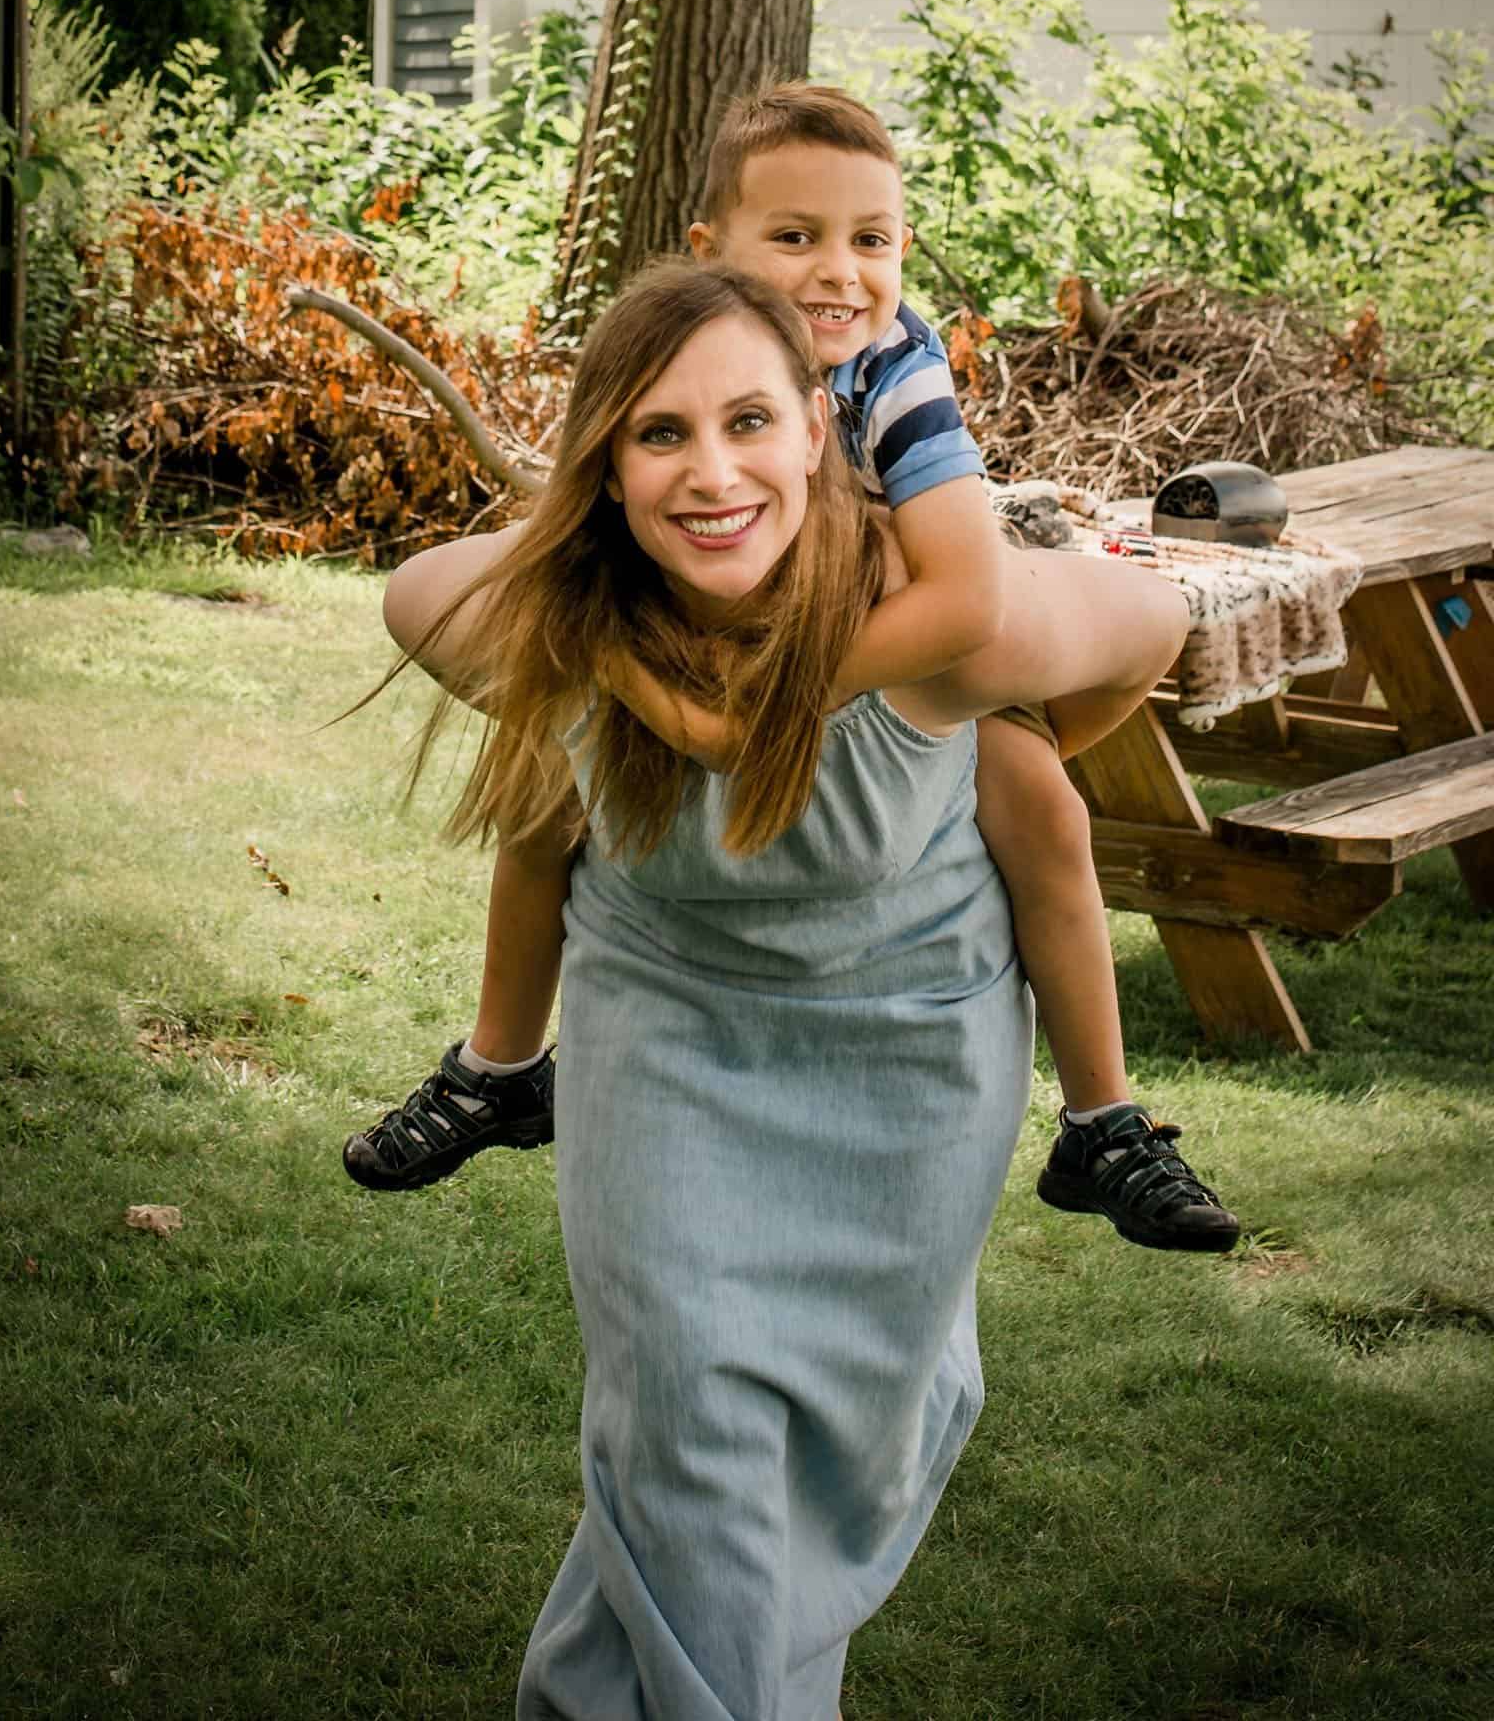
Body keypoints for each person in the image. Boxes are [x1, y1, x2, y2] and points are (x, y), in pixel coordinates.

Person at [366, 258, 1191, 1715]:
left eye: (751, 421)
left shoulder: (937, 637)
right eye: (660, 435)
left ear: (822, 429)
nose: (712, 472)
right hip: (669, 1061)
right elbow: (418, 594)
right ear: (606, 471)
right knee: (685, 1431)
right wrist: (636, 668)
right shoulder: (575, 639)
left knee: (835, 1454)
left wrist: (1010, 740)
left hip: (906, 1068)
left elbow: (1155, 622)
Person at [345, 84, 1239, 1256]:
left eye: (871, 240)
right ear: (710, 254)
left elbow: (964, 600)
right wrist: (633, 663)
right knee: (547, 786)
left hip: (896, 632)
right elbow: (461, 582)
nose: (838, 272)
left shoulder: (895, 369)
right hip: (709, 616)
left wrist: (779, 717)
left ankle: (1102, 1119)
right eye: (795, 237)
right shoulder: (677, 358)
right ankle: (499, 1064)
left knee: (1036, 802)